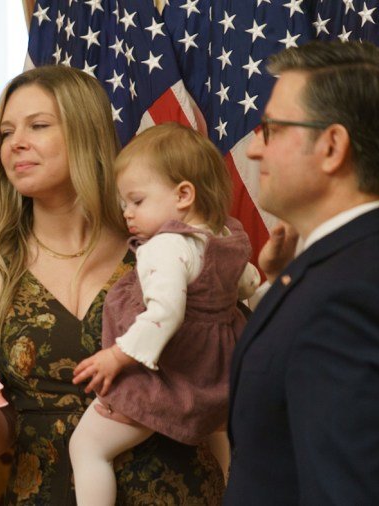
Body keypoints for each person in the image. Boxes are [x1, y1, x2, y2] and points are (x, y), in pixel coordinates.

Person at [0, 65, 226, 505]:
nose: (16, 143)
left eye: (38, 126)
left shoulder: (164, 248)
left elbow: (219, 372)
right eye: (6, 131)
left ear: (85, 134)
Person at [225, 41, 379, 505]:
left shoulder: (348, 294)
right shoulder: (339, 266)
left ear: (332, 146)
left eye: (270, 129)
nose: (253, 150)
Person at [67, 123, 259, 505]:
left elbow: (166, 312)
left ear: (183, 194)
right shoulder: (226, 236)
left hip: (170, 374)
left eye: (136, 201)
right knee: (223, 443)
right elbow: (248, 284)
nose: (127, 214)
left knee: (87, 446)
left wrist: (116, 355)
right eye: (124, 204)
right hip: (217, 377)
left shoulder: (166, 245)